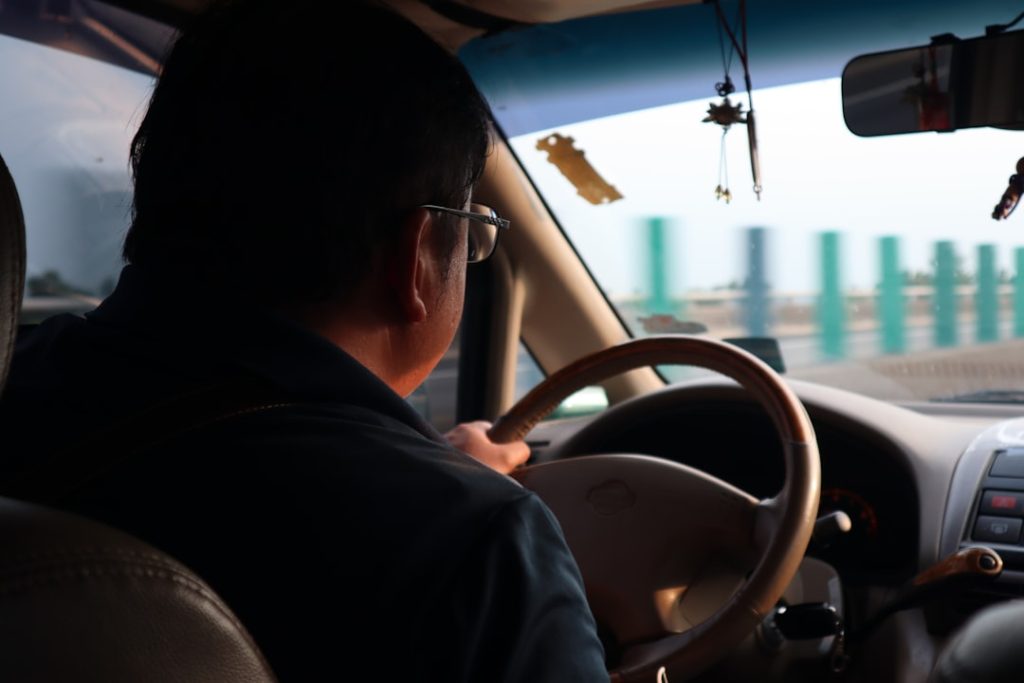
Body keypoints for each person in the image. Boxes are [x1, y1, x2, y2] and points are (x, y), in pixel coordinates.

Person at [0, 1, 608, 681]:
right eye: (472, 232)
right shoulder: (481, 547)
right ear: (416, 257)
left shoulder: (20, 387)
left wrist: (440, 474)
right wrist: (454, 496)